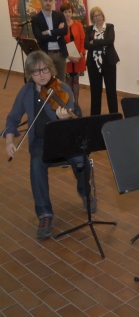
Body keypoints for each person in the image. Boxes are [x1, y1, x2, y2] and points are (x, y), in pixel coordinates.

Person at [3, 51, 95, 240]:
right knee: (36, 165)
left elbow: (76, 119)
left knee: (81, 160)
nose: (42, 75)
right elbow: (13, 117)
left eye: (44, 69)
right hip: (41, 142)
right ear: (30, 74)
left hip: (64, 139)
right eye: (36, 72)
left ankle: (85, 192)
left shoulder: (62, 88)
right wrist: (10, 140)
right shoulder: (27, 91)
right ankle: (44, 214)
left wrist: (66, 117)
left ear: (50, 69)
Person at [84, 6, 120, 115]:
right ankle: (95, 118)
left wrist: (94, 42)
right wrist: (101, 44)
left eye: (99, 15)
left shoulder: (109, 27)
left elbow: (110, 41)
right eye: (95, 16)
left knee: (111, 91)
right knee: (95, 92)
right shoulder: (89, 29)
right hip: (93, 64)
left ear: (103, 16)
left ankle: (114, 116)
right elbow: (86, 45)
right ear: (92, 18)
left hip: (108, 62)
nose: (97, 17)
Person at [31, 0, 68, 82]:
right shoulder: (36, 19)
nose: (48, 3)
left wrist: (48, 32)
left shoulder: (59, 15)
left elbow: (65, 31)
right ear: (41, 1)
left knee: (61, 81)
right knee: (46, 81)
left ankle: (59, 97)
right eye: (45, 0)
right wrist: (57, 34)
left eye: (50, 0)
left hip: (60, 53)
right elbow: (39, 37)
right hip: (46, 54)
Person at [60, 2, 86, 105]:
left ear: (72, 12)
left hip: (78, 58)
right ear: (62, 13)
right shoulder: (60, 26)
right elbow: (60, 42)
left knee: (76, 80)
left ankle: (76, 103)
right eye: (65, 12)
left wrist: (81, 53)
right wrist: (68, 56)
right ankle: (69, 103)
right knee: (68, 81)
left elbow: (83, 40)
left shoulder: (78, 25)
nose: (67, 14)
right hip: (67, 58)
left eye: (69, 11)